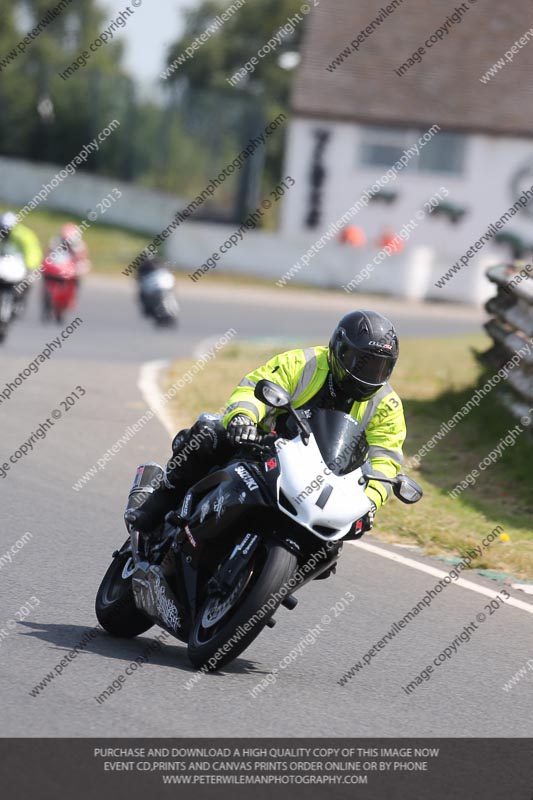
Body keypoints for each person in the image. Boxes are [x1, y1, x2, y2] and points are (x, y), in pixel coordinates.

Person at [127, 310, 406, 545]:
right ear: (340, 351)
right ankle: (158, 501)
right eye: (363, 362)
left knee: (334, 541)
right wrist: (242, 419)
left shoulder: (386, 405)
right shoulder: (304, 363)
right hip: (262, 447)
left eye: (380, 368)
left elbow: (386, 459)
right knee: (207, 433)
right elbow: (253, 387)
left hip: (321, 481)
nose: (370, 375)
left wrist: (370, 502)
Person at [0, 212, 43, 312]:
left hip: (18, 266)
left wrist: (30, 266)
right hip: (2, 265)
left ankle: (20, 301)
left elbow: (32, 250)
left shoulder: (23, 235)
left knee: (27, 281)